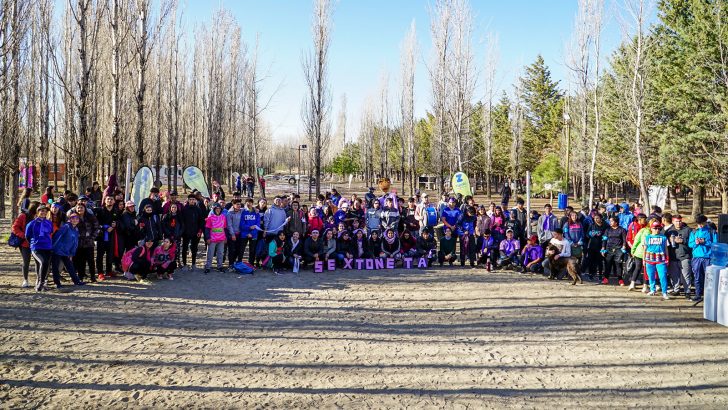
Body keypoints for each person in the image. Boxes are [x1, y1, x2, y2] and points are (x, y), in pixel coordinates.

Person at [51, 212, 84, 287]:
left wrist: (72, 253)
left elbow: (75, 242)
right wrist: (53, 247)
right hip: (58, 250)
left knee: (70, 266)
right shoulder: (66, 226)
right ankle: (57, 283)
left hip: (66, 251)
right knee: (55, 267)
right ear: (69, 219)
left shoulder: (76, 229)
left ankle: (76, 281)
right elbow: (57, 237)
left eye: (76, 218)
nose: (75, 220)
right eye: (73, 218)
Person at [688, 214, 717, 302]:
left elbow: (715, 244)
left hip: (708, 257)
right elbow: (690, 244)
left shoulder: (712, 231)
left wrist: (705, 242)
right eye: (698, 224)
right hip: (696, 257)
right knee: (697, 277)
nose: (700, 225)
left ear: (705, 222)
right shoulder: (694, 232)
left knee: (709, 277)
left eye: (702, 223)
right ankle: (698, 294)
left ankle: (710, 295)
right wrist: (696, 243)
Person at [25, 205, 54, 291]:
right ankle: (41, 283)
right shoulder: (31, 224)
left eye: (45, 211)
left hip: (47, 247)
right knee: (43, 262)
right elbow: (27, 236)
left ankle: (41, 283)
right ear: (37, 212)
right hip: (36, 247)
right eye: (41, 211)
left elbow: (50, 233)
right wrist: (33, 243)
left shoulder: (49, 223)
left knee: (45, 265)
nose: (43, 213)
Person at [643, 221, 670, 300]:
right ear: (651, 228)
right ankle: (652, 289)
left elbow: (666, 248)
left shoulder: (664, 237)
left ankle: (664, 292)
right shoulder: (647, 237)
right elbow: (644, 249)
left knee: (663, 276)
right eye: (655, 228)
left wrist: (667, 258)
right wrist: (644, 260)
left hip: (661, 260)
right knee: (651, 275)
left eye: (658, 228)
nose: (657, 230)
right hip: (649, 259)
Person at [95, 195, 120, 280]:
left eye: (111, 199)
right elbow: (95, 223)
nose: (109, 200)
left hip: (111, 236)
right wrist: (103, 227)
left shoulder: (116, 211)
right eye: (108, 199)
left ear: (114, 201)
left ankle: (109, 270)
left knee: (110, 254)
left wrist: (115, 224)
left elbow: (118, 221)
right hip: (101, 236)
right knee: (100, 255)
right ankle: (100, 272)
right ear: (105, 200)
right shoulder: (100, 210)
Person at [74, 203, 99, 283]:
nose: (80, 209)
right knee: (80, 261)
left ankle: (92, 276)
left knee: (91, 260)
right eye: (78, 208)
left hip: (89, 242)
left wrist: (92, 238)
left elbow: (96, 228)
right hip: (78, 242)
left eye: (81, 208)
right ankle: (80, 276)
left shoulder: (90, 217)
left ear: (84, 208)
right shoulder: (74, 217)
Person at [179, 195, 204, 270]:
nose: (192, 201)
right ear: (188, 200)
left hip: (195, 233)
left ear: (195, 200)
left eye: (193, 199)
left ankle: (193, 264)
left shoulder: (198, 209)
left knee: (194, 248)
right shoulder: (184, 209)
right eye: (190, 199)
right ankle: (185, 264)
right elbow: (181, 221)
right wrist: (182, 231)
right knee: (184, 248)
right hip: (186, 233)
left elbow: (201, 221)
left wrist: (200, 231)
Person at [672, 215, 693, 299]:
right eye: (676, 221)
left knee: (686, 275)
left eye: (680, 221)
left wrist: (683, 241)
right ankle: (676, 290)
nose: (678, 223)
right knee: (674, 275)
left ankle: (687, 291)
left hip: (685, 255)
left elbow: (692, 242)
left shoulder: (687, 230)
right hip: (673, 256)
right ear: (673, 221)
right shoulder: (670, 230)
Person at [602, 216, 627, 286]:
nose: (610, 222)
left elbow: (624, 239)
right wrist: (603, 248)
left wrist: (624, 246)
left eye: (612, 221)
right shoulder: (607, 230)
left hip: (618, 249)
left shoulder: (622, 230)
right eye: (610, 221)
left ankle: (620, 279)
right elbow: (604, 239)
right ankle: (606, 278)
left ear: (616, 222)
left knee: (618, 265)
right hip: (609, 249)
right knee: (607, 264)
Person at [629, 217, 652, 293]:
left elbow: (636, 240)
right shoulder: (653, 233)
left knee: (637, 268)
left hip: (638, 252)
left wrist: (633, 250)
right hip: (648, 253)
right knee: (646, 270)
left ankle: (632, 283)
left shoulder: (642, 230)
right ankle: (645, 286)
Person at [626, 214, 648, 291]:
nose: (645, 220)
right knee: (635, 265)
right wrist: (632, 249)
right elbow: (630, 238)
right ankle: (632, 279)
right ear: (639, 219)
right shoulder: (633, 226)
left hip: (641, 249)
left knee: (640, 267)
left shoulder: (645, 226)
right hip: (635, 248)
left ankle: (635, 281)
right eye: (644, 219)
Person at [204, 203, 227, 273]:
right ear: (214, 209)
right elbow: (207, 229)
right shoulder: (210, 218)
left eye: (219, 209)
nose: (218, 210)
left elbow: (225, 228)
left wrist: (225, 237)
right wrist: (207, 238)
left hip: (221, 239)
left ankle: (219, 266)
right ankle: (208, 267)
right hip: (212, 239)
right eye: (216, 209)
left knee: (220, 253)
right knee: (210, 253)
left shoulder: (223, 217)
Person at [239, 198, 261, 266]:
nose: (249, 204)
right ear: (245, 204)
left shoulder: (256, 212)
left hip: (253, 235)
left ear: (252, 203)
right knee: (241, 249)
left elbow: (258, 225)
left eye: (250, 202)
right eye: (247, 203)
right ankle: (239, 262)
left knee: (252, 250)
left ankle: (251, 264)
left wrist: (252, 233)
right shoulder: (243, 212)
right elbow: (241, 224)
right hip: (244, 234)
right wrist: (248, 228)